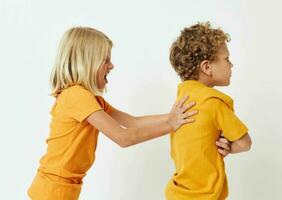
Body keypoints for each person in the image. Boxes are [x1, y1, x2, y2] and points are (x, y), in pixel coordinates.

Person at [27, 27, 231, 200]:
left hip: (62, 189)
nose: (112, 65)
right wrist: (171, 125)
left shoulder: (90, 98)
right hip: (51, 190)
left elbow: (132, 122)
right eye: (105, 59)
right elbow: (123, 137)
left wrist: (172, 117)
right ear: (87, 62)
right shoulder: (76, 96)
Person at [165, 22, 252, 200]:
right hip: (205, 196)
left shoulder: (180, 103)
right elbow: (244, 143)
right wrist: (229, 148)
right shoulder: (214, 103)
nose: (231, 65)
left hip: (178, 193)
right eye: (227, 59)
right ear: (207, 67)